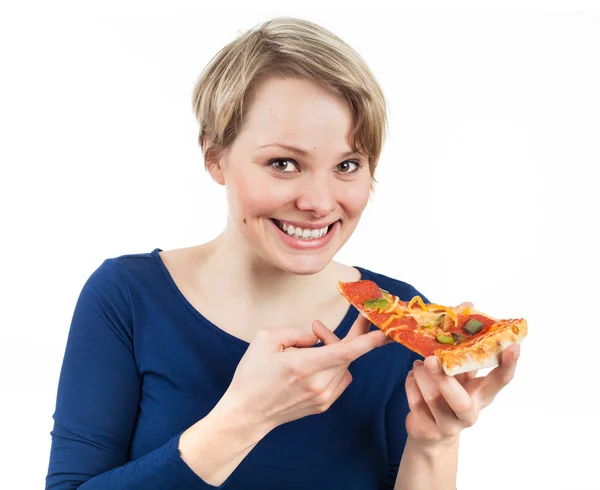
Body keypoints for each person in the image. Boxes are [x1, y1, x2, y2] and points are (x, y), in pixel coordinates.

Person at [45, 17, 520, 490]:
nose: (318, 201)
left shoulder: (399, 320)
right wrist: (246, 417)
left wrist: (434, 444)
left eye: (347, 165)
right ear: (214, 156)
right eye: (283, 163)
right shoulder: (127, 298)